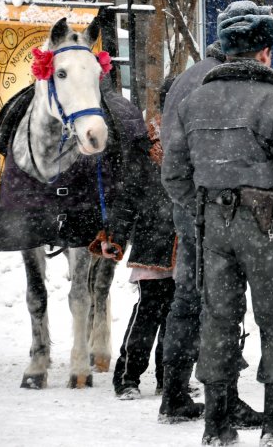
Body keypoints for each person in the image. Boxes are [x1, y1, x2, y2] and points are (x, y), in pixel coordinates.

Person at [162, 0, 273, 447]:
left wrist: (203, 209)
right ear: (266, 52)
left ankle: (217, 424)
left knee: (217, 318)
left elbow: (173, 173)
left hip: (212, 226)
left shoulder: (193, 101)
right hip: (266, 223)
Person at [158, 40, 264, 428]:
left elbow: (173, 151)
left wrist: (189, 199)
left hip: (188, 203)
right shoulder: (225, 85)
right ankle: (226, 397)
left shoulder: (186, 79)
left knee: (187, 296)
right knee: (224, 301)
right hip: (219, 207)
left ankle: (173, 393)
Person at [111, 79, 177, 399]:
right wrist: (117, 236)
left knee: (176, 313)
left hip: (184, 245)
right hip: (153, 242)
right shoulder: (145, 144)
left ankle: (170, 377)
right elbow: (129, 196)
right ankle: (128, 376)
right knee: (150, 310)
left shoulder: (195, 143)